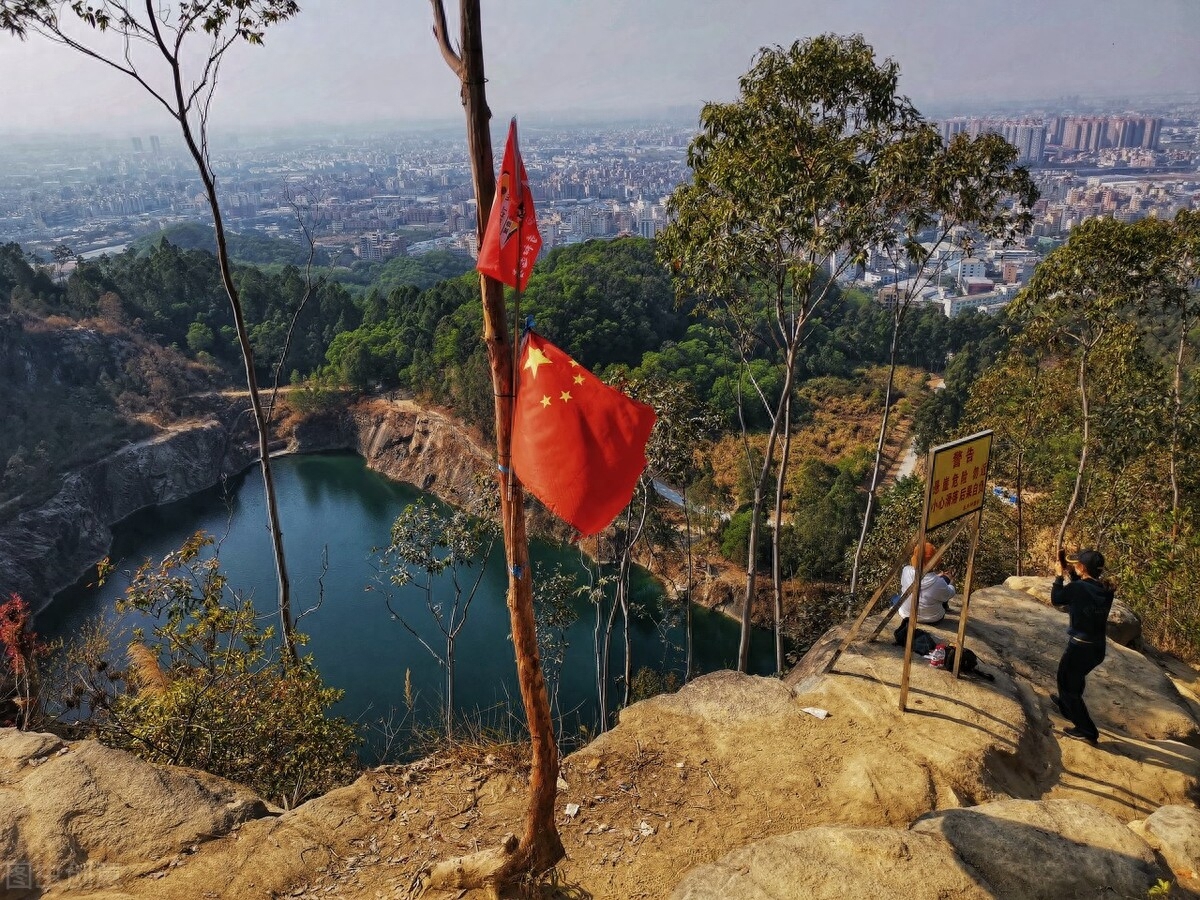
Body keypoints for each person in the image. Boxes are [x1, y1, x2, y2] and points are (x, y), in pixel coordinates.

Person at [1050, 548, 1114, 746]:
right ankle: (1067, 706)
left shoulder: (1078, 588)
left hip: (1080, 647)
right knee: (1073, 680)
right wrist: (1071, 573)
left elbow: (1057, 598)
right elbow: (1085, 589)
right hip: (1097, 648)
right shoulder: (1106, 588)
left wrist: (1059, 576)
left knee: (1067, 684)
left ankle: (1087, 731)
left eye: (1076, 564)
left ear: (1083, 568)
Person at [897, 541, 956, 625]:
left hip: (906, 614)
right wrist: (951, 581)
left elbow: (921, 581)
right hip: (931, 619)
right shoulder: (938, 583)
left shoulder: (906, 570)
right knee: (944, 583)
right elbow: (949, 594)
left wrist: (938, 576)